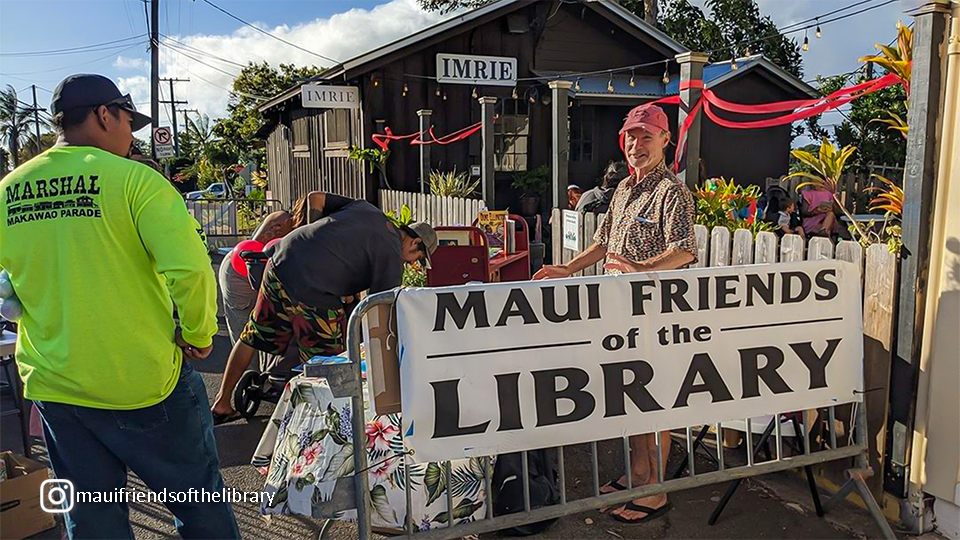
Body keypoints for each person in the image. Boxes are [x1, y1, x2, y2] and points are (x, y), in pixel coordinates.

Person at [0, 74, 240, 539]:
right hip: (143, 381)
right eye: (130, 120)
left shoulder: (9, 188)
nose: (133, 135)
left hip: (56, 384)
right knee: (197, 501)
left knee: (91, 515)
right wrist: (197, 334)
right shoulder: (134, 181)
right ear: (104, 114)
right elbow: (189, 270)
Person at [534, 103, 696, 524]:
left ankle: (654, 489)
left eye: (646, 135)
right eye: (631, 136)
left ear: (665, 140)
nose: (637, 143)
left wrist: (643, 270)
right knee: (630, 399)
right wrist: (566, 268)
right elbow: (604, 243)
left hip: (654, 316)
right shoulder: (623, 188)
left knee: (653, 402)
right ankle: (637, 473)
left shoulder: (672, 191)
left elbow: (684, 250)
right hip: (617, 314)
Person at [210, 193, 438, 424]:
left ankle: (222, 402)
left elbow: (315, 198)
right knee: (328, 360)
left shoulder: (366, 209)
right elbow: (378, 313)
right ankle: (313, 427)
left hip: (280, 261)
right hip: (313, 288)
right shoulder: (391, 254)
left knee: (255, 334)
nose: (413, 263)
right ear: (415, 242)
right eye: (418, 257)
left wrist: (314, 235)